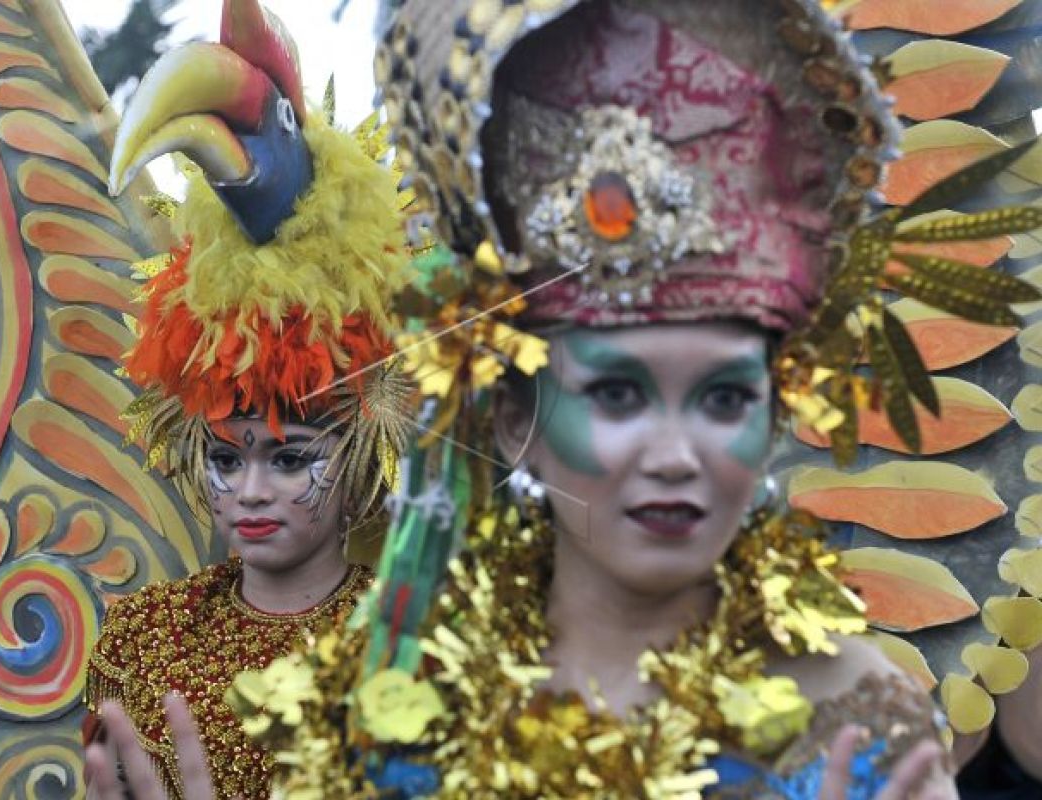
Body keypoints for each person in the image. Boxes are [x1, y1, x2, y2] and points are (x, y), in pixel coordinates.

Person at [221, 0, 1042, 798]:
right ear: (515, 420)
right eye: (618, 394)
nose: (676, 454)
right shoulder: (401, 720)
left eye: (723, 399)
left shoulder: (860, 719)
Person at [80, 1, 413, 797]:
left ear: (365, 445)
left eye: (292, 457)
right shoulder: (139, 640)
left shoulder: (410, 642)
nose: (252, 490)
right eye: (228, 457)